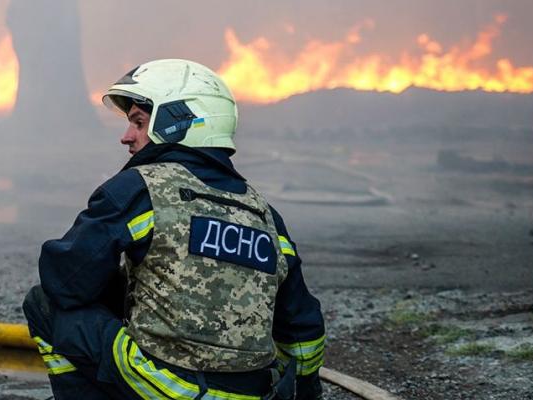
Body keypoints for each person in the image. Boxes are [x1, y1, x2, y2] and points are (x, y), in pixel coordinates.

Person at [22, 59, 326, 400]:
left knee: (43, 303)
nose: (126, 137)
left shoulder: (140, 189)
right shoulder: (264, 214)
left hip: (172, 389)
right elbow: (303, 328)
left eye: (138, 122)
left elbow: (64, 281)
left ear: (179, 123)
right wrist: (305, 391)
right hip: (255, 394)